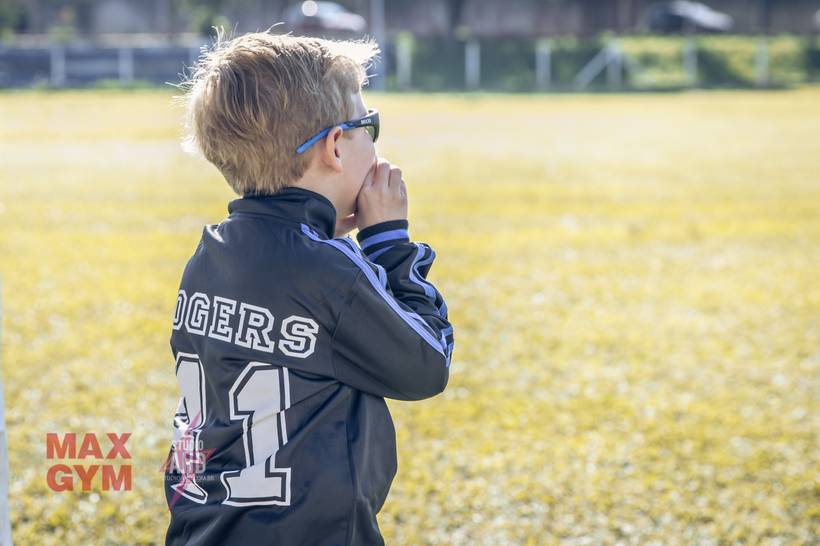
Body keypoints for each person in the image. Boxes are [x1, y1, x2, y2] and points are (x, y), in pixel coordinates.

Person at [162, 27, 455, 546]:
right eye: (370, 126)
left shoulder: (208, 256)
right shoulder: (327, 269)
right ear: (335, 147)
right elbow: (426, 366)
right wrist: (389, 241)